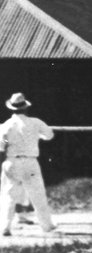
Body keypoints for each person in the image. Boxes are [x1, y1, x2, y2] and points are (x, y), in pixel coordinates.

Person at [0, 93, 56, 235]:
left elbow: (2, 144)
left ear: (12, 109)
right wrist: (36, 136)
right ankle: (47, 226)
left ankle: (4, 227)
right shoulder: (35, 123)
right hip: (30, 161)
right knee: (38, 194)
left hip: (12, 160)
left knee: (9, 195)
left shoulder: (7, 125)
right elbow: (49, 135)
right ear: (26, 108)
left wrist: (9, 142)